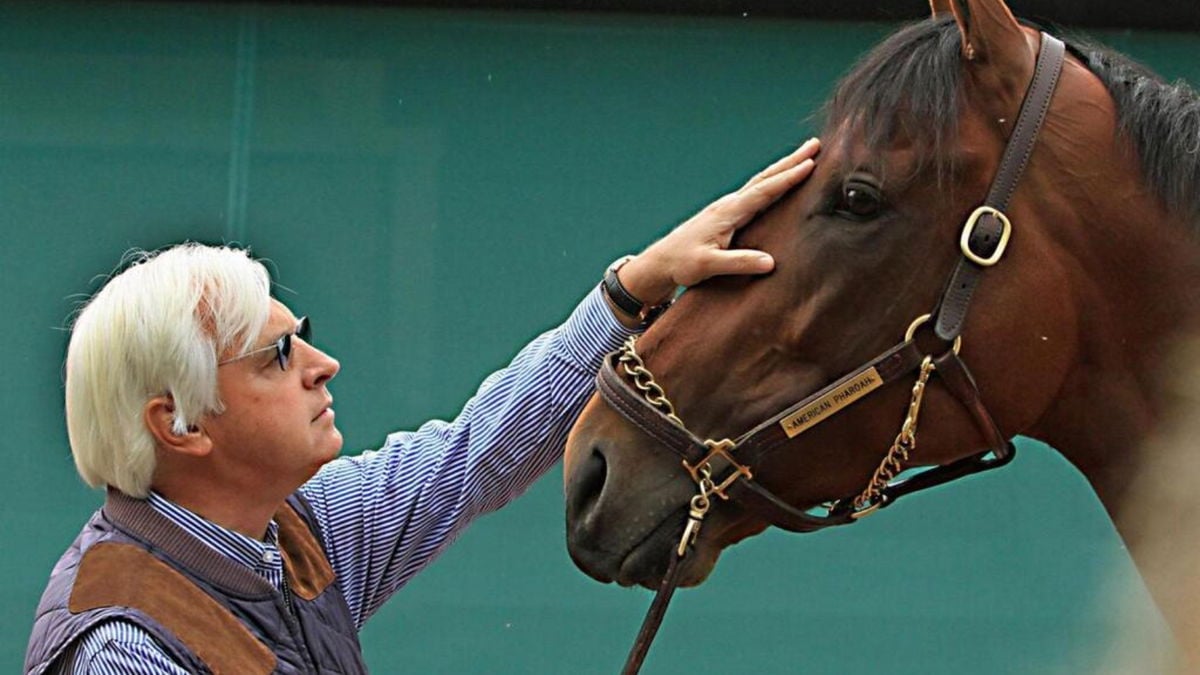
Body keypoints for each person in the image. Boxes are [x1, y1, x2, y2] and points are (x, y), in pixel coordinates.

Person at [25, 140, 820, 674]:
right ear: (182, 425)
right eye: (278, 354)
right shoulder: (121, 646)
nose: (322, 363)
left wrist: (634, 287)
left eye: (303, 336)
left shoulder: (297, 527)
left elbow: (477, 451)